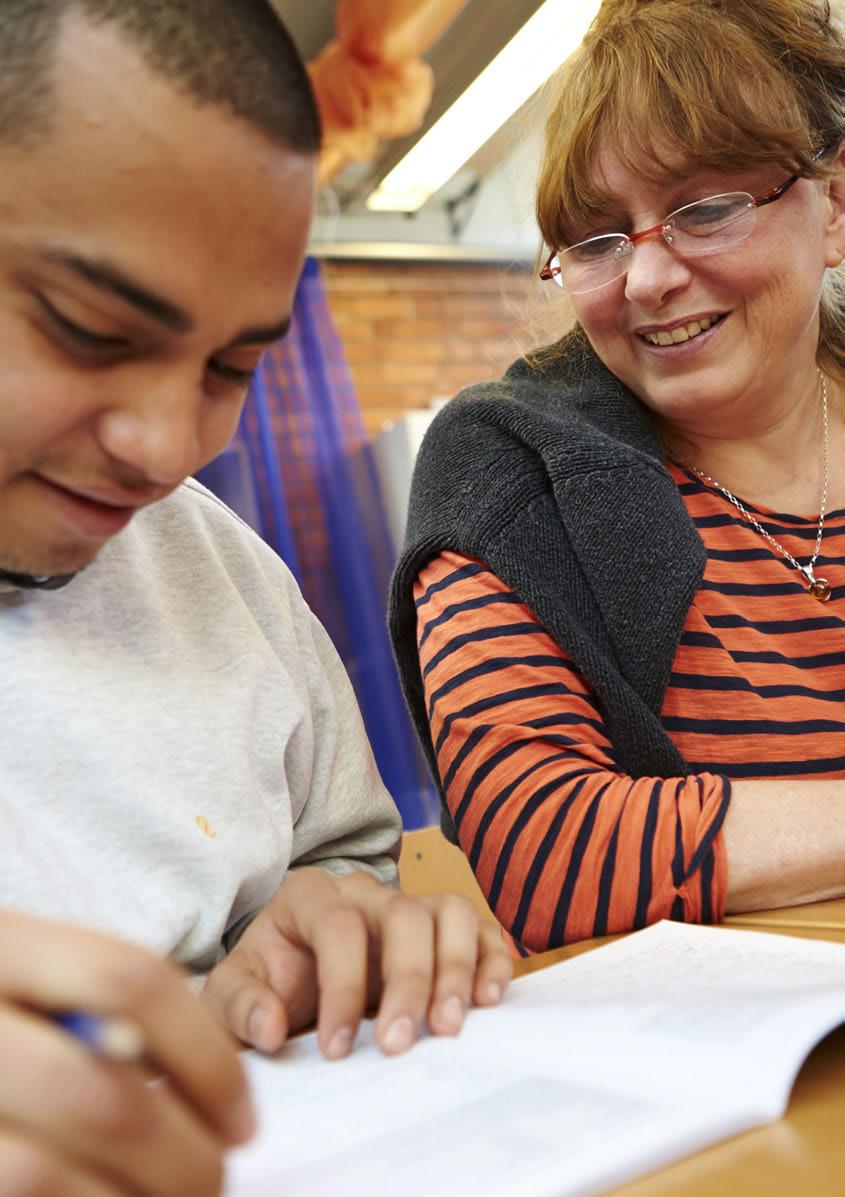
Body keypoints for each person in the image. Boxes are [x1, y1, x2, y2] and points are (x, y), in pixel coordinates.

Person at [0, 2, 513, 1194]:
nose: (164, 446)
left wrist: (321, 927)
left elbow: (343, 862)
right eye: (88, 329)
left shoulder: (222, 571)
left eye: (233, 367)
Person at [390, 0, 845, 956]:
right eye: (598, 239)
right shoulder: (514, 475)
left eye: (704, 210)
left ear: (833, 205)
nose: (645, 281)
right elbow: (545, 851)